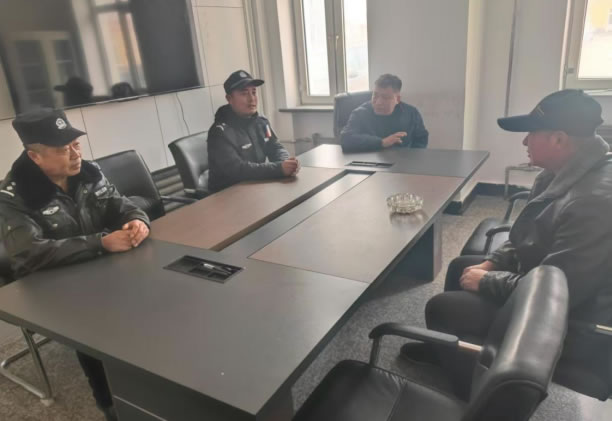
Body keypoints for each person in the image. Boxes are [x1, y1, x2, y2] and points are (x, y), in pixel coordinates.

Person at [401, 89, 612, 399]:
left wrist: (488, 280)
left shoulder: (595, 202)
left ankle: (475, 395)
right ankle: (449, 348)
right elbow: (527, 237)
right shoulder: (558, 173)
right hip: (545, 276)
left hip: (572, 321)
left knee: (441, 307)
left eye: (531, 134)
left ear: (558, 139)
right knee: (461, 267)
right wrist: (492, 263)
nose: (525, 142)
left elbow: (559, 295)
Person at [0, 108, 151, 421]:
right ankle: (109, 404)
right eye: (62, 149)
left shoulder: (89, 172)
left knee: (155, 290)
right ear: (35, 157)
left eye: (76, 144)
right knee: (96, 325)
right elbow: (30, 253)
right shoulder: (13, 195)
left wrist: (137, 219)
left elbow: (121, 205)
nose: (75, 154)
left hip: (98, 268)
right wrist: (100, 243)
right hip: (49, 286)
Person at [207, 70, 299, 192]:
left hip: (254, 187)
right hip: (227, 194)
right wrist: (279, 169)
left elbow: (275, 146)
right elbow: (237, 170)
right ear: (229, 99)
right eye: (244, 94)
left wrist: (286, 163)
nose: (251, 99)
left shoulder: (261, 122)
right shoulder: (219, 133)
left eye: (254, 92)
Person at [340, 73, 428, 152]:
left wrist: (412, 157)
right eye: (375, 95)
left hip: (403, 161)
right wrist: (381, 142)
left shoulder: (411, 113)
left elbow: (421, 138)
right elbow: (346, 139)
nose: (378, 102)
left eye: (385, 98)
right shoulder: (360, 113)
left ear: (397, 99)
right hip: (370, 159)